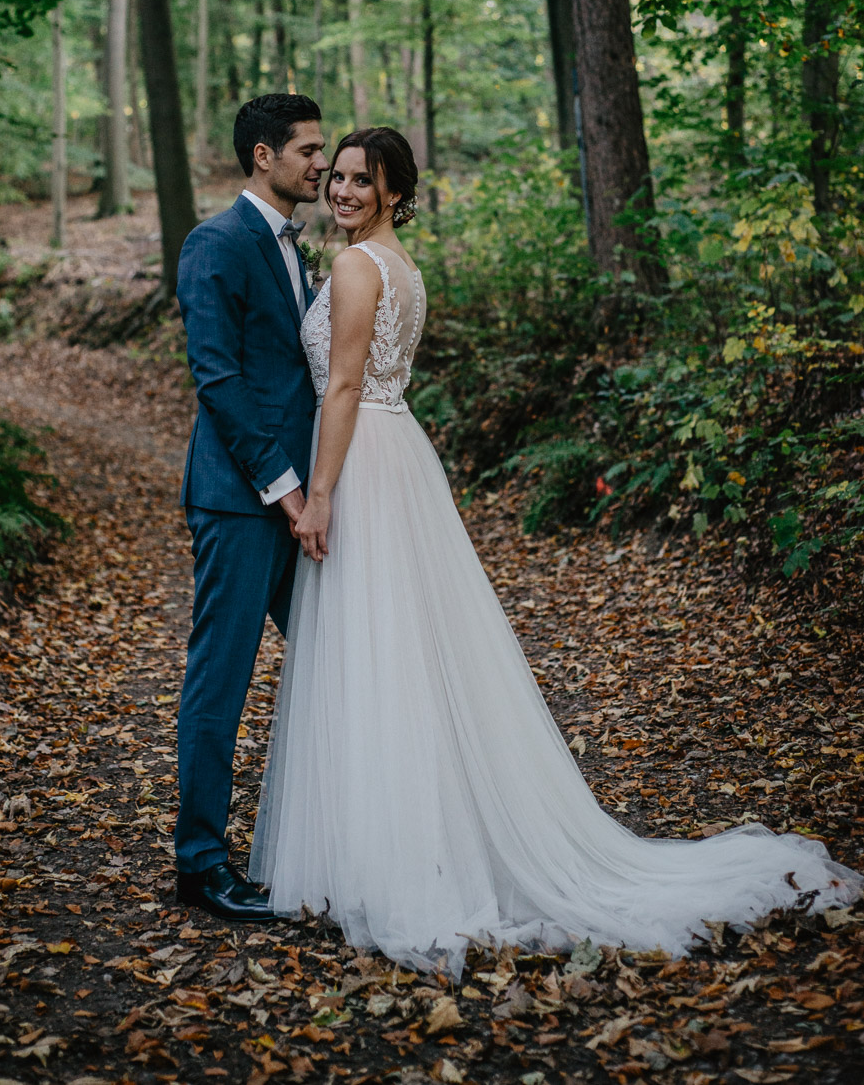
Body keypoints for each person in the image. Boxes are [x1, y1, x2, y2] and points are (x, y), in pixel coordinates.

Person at [249, 126, 862, 978]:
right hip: (396, 455)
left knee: (379, 653)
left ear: (394, 192)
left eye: (362, 180)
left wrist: (317, 497)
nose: (343, 190)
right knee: (405, 654)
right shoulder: (398, 266)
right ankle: (411, 842)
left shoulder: (356, 267)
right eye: (339, 176)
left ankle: (399, 862)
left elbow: (346, 385)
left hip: (361, 461)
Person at [174, 94, 328, 921]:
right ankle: (199, 864)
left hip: (299, 506)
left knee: (343, 661)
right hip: (241, 505)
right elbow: (220, 381)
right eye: (307, 149)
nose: (320, 163)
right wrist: (287, 488)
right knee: (219, 685)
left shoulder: (291, 250)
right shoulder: (217, 244)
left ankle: (344, 833)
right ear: (263, 156)